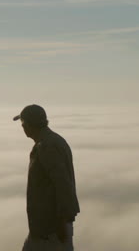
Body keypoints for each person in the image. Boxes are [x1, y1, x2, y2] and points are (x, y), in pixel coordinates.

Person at [13, 104, 80, 251]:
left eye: (23, 123)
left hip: (51, 229)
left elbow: (63, 185)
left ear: (29, 124)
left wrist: (63, 222)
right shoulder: (52, 141)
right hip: (46, 228)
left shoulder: (47, 146)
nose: (22, 127)